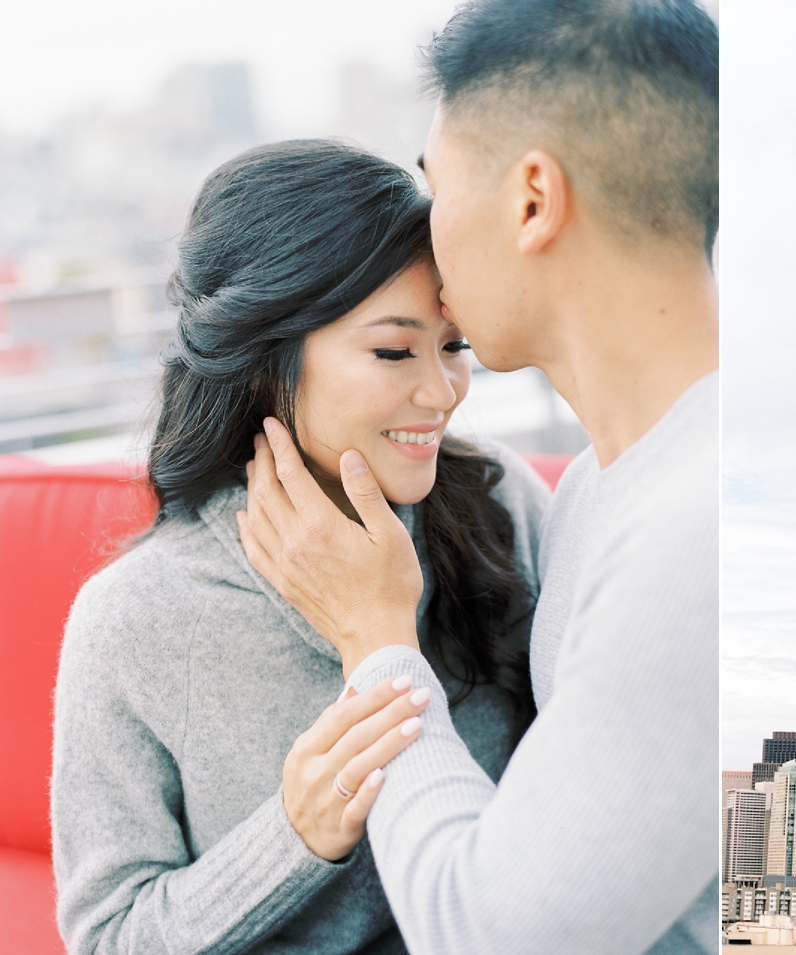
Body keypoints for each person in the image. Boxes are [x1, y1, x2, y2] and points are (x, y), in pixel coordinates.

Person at [238, 0, 720, 952]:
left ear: (532, 199)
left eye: (437, 186)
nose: (428, 239)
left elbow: (489, 936)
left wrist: (376, 637)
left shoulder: (696, 533)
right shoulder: (597, 489)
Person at [51, 140, 551, 954]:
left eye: (453, 345)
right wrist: (294, 833)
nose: (442, 391)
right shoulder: (134, 618)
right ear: (263, 356)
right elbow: (108, 936)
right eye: (394, 350)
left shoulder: (503, 503)